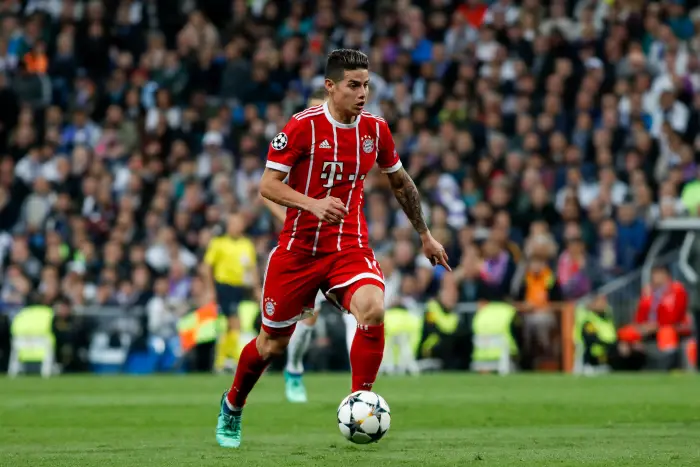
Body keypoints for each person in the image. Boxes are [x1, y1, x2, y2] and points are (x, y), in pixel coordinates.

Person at [216, 49, 450, 448]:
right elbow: (267, 186)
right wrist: (313, 204)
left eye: (367, 85)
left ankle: (362, 401)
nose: (363, 94)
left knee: (374, 309)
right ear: (331, 86)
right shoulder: (302, 127)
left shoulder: (375, 129)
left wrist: (424, 234)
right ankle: (233, 404)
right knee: (271, 345)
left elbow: (401, 183)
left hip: (349, 247)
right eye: (354, 85)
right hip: (298, 250)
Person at [261, 87, 350, 403]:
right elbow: (267, 188)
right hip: (301, 246)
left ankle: (361, 383)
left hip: (336, 246)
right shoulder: (298, 139)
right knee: (303, 320)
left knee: (358, 308)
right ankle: (294, 369)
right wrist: (294, 212)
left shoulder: (343, 141)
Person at [203, 213, 260, 372]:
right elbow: (207, 266)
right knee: (234, 323)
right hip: (224, 286)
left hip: (239, 288)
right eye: (232, 223)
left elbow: (252, 268)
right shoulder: (218, 243)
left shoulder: (246, 244)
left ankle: (222, 361)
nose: (235, 226)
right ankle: (231, 359)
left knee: (230, 325)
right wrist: (210, 289)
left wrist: (256, 288)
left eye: (238, 223)